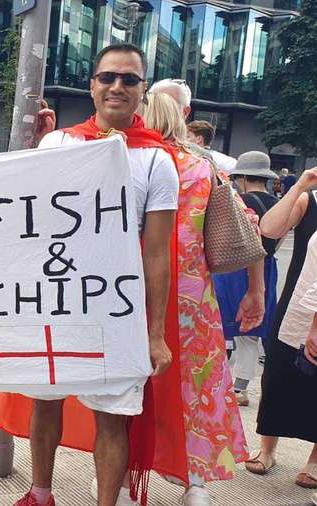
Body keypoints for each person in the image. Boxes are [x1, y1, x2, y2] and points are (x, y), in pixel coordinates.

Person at [0, 43, 179, 506]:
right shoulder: (59, 145)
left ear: (142, 91)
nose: (117, 86)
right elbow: (29, 224)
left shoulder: (157, 161)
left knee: (112, 418)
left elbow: (157, 255)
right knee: (45, 401)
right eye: (108, 77)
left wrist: (155, 334)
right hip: (59, 304)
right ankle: (41, 492)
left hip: (116, 313)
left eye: (129, 79)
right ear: (92, 85)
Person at [141, 93, 261, 505]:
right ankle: (196, 483)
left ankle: (123, 478)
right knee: (198, 385)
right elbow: (249, 226)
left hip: (132, 291)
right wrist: (256, 289)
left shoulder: (131, 162)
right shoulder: (204, 167)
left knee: (132, 385)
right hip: (193, 295)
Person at [244, 166, 317, 491]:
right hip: (296, 301)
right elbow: (269, 230)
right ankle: (267, 448)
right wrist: (301, 184)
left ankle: (314, 460)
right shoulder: (310, 200)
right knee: (276, 372)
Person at [211, 152, 280, 407]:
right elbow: (277, 241)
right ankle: (241, 386)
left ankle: (220, 380)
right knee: (252, 329)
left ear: (241, 176)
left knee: (224, 324)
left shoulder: (238, 200)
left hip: (236, 267)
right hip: (267, 267)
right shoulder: (278, 204)